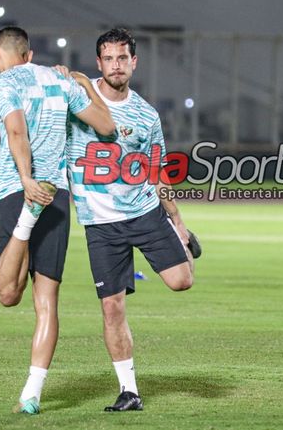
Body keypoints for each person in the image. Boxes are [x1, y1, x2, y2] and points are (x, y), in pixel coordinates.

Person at [58, 27, 201, 412]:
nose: (116, 65)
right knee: (112, 307)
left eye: (123, 58)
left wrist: (179, 222)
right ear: (99, 62)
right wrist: (65, 75)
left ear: (133, 63)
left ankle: (178, 239)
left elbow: (158, 172)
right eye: (109, 58)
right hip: (100, 226)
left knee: (182, 281)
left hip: (143, 212)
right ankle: (129, 391)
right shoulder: (79, 102)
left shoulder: (146, 114)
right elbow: (54, 89)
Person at [0, 26, 115, 414]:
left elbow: (15, 130)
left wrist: (26, 180)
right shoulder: (58, 80)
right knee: (47, 302)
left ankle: (26, 221)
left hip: (17, 189)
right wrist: (83, 82)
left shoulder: (2, 83)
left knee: (8, 294)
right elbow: (107, 127)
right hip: (57, 195)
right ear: (29, 54)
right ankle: (32, 392)